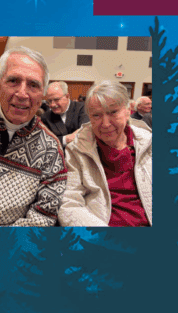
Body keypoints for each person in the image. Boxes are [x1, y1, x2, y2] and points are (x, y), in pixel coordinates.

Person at [0, 47, 66, 226]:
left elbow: (43, 216)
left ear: (42, 95)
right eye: (13, 81)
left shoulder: (51, 149)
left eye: (33, 85)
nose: (22, 94)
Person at [59, 81, 152, 227]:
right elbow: (69, 204)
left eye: (113, 112)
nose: (106, 124)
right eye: (96, 115)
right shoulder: (77, 150)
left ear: (128, 110)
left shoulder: (149, 144)